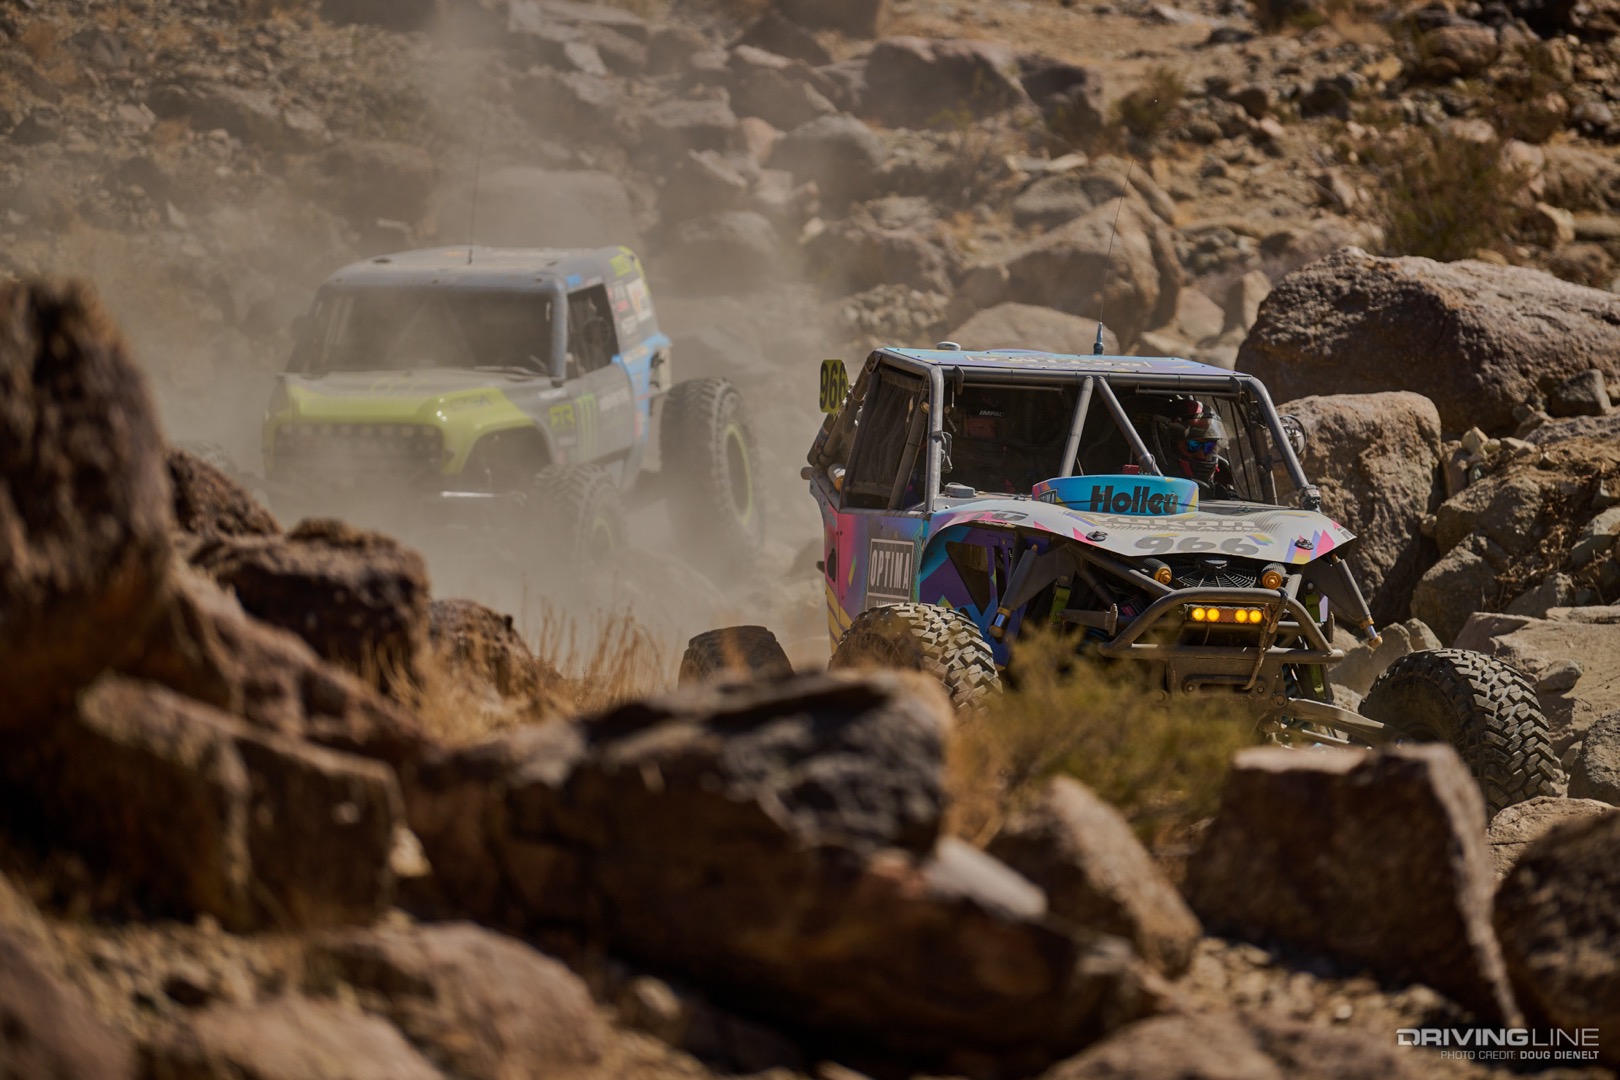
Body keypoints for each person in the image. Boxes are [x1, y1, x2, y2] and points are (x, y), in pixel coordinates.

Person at [1140, 395, 1239, 498]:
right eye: (1192, 445)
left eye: (1208, 447)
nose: (1201, 456)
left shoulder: (1223, 481)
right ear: (1167, 444)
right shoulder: (1139, 489)